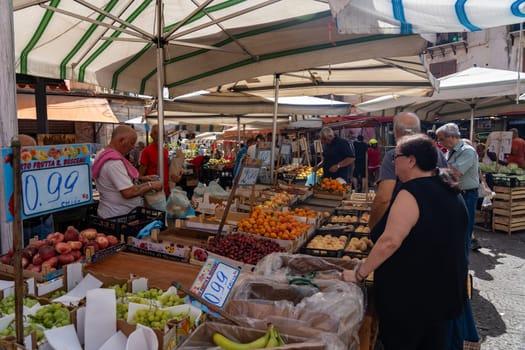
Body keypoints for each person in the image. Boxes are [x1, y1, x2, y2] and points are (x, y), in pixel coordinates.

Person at [342, 134, 468, 350]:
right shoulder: (448, 187)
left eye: (396, 157)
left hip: (412, 297)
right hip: (442, 291)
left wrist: (359, 274)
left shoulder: (413, 191)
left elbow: (390, 241)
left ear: (411, 160)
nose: (393, 162)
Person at [435, 123, 481, 349]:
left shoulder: (468, 152)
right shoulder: (450, 152)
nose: (441, 144)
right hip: (455, 196)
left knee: (463, 237)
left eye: (442, 139)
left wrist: (431, 173)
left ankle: (461, 273)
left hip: (468, 196)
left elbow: (454, 173)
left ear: (452, 137)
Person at [369, 112, 448, 229]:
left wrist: (373, 228)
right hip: (436, 221)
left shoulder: (395, 155)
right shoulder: (437, 152)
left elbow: (383, 199)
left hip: (406, 224)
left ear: (395, 133)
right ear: (419, 131)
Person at [93, 125, 162, 218]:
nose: (133, 147)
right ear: (121, 140)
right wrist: (151, 185)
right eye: (131, 143)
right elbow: (128, 192)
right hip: (118, 216)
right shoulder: (113, 163)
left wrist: (142, 179)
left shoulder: (103, 154)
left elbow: (118, 182)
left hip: (113, 213)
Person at [20, 135, 55, 244]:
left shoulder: (43, 167)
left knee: (46, 250)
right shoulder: (8, 171)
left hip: (43, 220)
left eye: (33, 150)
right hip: (23, 224)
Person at [139, 124, 170, 196]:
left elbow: (167, 169)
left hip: (166, 189)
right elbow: (141, 175)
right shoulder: (146, 151)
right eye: (157, 133)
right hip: (153, 192)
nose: (160, 136)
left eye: (162, 134)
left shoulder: (165, 151)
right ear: (151, 135)